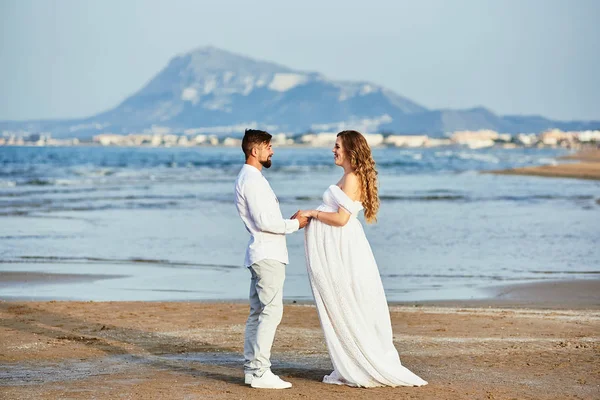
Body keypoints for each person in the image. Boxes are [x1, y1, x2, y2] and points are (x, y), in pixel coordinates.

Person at [298, 130, 428, 388]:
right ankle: (351, 359)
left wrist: (312, 213)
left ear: (349, 150)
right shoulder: (348, 176)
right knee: (347, 300)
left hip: (346, 248)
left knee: (349, 299)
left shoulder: (351, 179)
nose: (333, 150)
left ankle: (359, 361)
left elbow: (342, 219)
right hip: (344, 246)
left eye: (337, 146)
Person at [234, 129, 308, 389]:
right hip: (267, 255)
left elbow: (264, 219)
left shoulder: (252, 178)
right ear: (255, 150)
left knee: (259, 312)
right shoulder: (251, 180)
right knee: (271, 312)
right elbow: (265, 222)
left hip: (263, 252)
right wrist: (294, 224)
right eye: (268, 147)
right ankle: (259, 370)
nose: (272, 151)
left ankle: (252, 371)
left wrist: (288, 222)